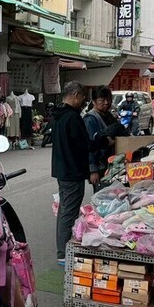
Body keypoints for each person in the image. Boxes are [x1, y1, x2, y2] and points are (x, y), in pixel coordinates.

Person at [51, 81, 93, 266]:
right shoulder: (73, 117)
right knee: (68, 212)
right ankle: (64, 254)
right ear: (75, 95)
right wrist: (101, 141)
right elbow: (83, 144)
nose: (83, 101)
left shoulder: (58, 115)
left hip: (62, 170)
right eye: (82, 97)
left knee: (64, 211)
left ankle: (63, 251)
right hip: (72, 171)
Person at [85, 86, 124, 185]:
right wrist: (93, 170)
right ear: (94, 101)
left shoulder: (108, 115)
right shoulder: (90, 120)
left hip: (111, 164)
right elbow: (89, 146)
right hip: (100, 166)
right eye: (102, 100)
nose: (106, 103)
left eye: (109, 99)